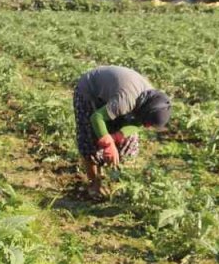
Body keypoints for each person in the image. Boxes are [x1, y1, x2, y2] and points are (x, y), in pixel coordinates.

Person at [73, 65, 172, 197]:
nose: (147, 127)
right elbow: (97, 117)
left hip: (114, 97)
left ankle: (116, 182)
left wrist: (117, 136)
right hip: (90, 92)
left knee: (129, 144)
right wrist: (108, 143)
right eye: (148, 123)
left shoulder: (150, 101)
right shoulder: (126, 100)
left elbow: (138, 123)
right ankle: (93, 184)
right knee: (90, 140)